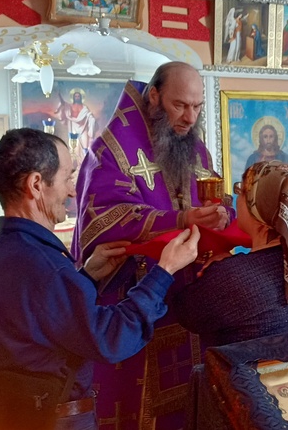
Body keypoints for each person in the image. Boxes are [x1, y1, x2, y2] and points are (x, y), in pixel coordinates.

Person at [0, 128, 201, 430]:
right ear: (36, 185)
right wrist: (164, 271)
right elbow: (109, 339)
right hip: (54, 420)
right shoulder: (44, 265)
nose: (72, 192)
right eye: (67, 178)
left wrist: (87, 277)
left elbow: (45, 323)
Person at [73, 61, 233, 429]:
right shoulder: (112, 147)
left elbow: (212, 199)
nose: (190, 117)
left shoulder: (194, 148)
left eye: (197, 107)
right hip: (137, 298)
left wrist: (221, 215)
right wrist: (180, 219)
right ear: (155, 97)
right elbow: (104, 215)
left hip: (189, 302)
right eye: (180, 105)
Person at [171, 160, 288, 346]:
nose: (236, 199)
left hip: (248, 366)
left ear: (259, 208)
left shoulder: (231, 277)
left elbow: (184, 312)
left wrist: (171, 266)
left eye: (241, 192)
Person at [54, 88, 97, 165]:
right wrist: (59, 95)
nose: (77, 97)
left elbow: (89, 115)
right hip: (73, 126)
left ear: (81, 97)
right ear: (73, 97)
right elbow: (63, 103)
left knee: (85, 146)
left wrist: (92, 119)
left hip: (83, 127)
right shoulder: (69, 106)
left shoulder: (84, 107)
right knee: (73, 146)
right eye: (76, 96)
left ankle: (85, 163)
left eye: (78, 96)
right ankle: (74, 164)